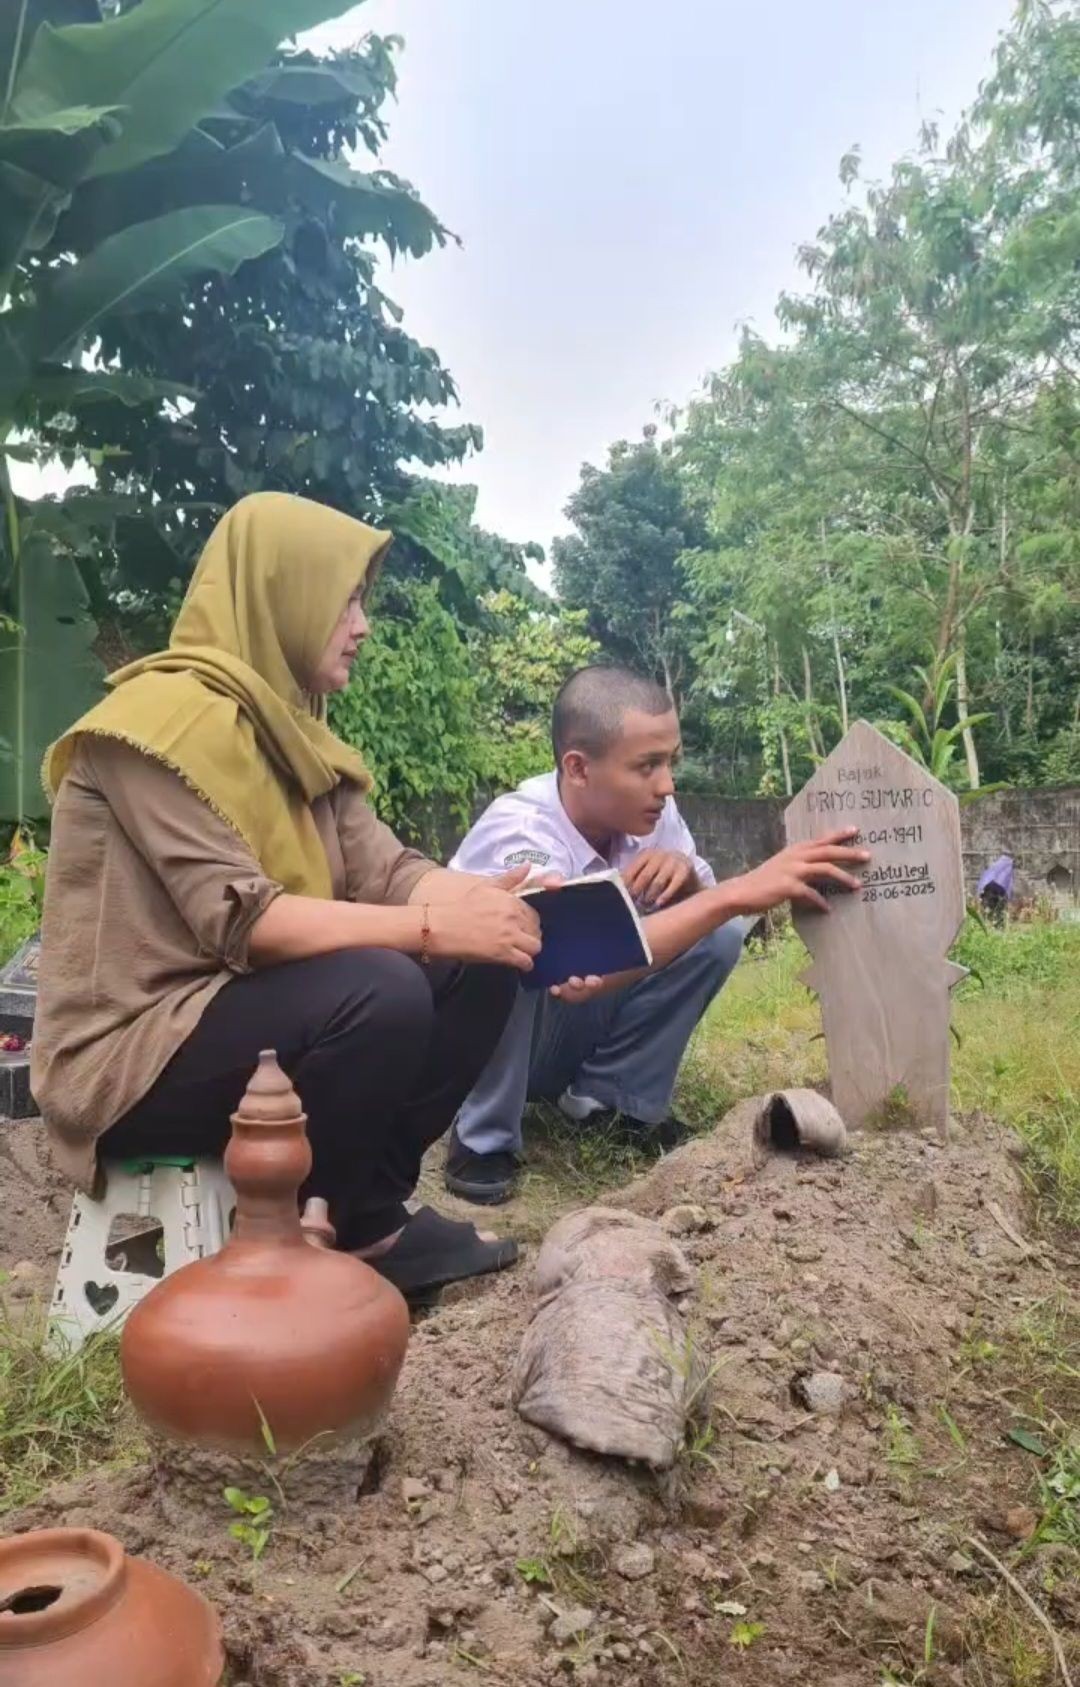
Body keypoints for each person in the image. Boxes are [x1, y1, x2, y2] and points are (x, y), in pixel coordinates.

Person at [32, 492, 553, 1302]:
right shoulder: (150, 731)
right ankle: (294, 1253)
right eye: (347, 598)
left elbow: (391, 869)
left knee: (480, 964)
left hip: (243, 1013)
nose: (362, 625)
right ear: (284, 592)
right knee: (384, 985)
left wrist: (503, 906)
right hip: (134, 1054)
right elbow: (245, 918)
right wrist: (428, 925)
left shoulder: (297, 739)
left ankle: (362, 1216)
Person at [444, 665, 870, 1204]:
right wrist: (733, 892)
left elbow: (692, 930)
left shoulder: (654, 818)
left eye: (670, 761)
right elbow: (573, 969)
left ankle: (608, 1102)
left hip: (561, 1030)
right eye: (647, 766)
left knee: (717, 934)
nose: (666, 785)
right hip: (484, 1042)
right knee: (509, 940)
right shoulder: (521, 830)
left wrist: (693, 883)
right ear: (577, 768)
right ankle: (482, 1135)